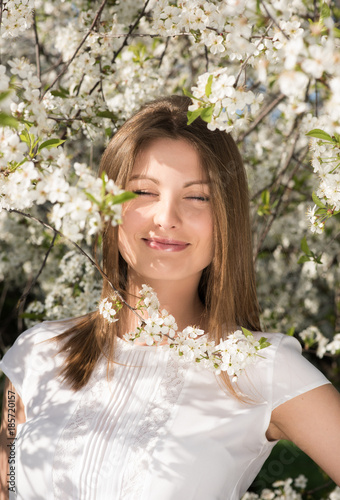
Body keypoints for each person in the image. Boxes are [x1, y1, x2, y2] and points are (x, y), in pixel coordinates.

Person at [0, 95, 340, 500]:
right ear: (108, 206)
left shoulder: (261, 368)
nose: (166, 217)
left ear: (226, 217)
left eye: (197, 196)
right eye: (143, 191)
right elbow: (8, 485)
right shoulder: (39, 352)